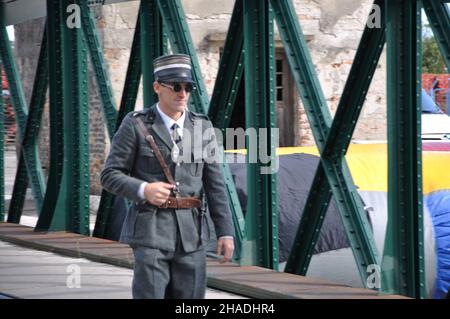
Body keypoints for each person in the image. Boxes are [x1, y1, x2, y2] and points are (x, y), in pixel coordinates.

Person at [101, 54, 235, 299]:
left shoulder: (203, 127)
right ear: (157, 87)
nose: (182, 93)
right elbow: (109, 175)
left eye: (188, 87)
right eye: (175, 86)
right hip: (150, 231)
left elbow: (216, 186)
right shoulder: (135, 125)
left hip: (192, 236)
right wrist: (143, 189)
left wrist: (226, 232)